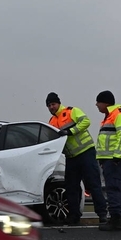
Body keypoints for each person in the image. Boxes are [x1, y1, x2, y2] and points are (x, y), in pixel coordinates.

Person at [46, 92, 108, 226]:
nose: (51, 107)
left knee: (93, 184)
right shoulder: (51, 122)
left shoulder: (71, 111)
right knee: (71, 187)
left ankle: (102, 214)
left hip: (86, 152)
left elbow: (86, 121)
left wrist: (71, 131)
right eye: (49, 105)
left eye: (53, 104)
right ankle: (74, 216)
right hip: (71, 157)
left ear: (58, 103)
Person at [95, 90, 121, 231]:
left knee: (113, 189)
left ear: (105, 102)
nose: (96, 104)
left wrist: (116, 155)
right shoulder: (109, 116)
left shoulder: (118, 115)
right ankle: (120, 218)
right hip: (110, 159)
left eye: (98, 102)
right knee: (117, 188)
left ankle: (116, 219)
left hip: (114, 159)